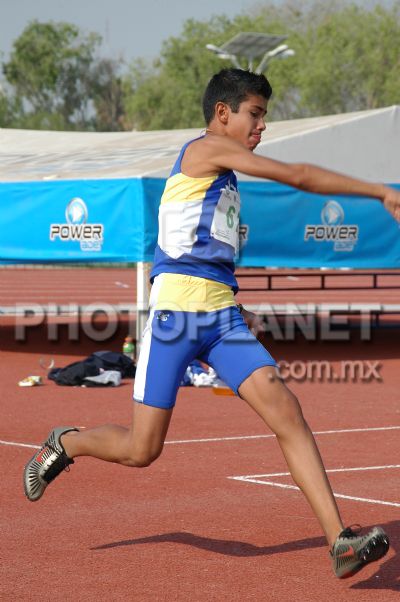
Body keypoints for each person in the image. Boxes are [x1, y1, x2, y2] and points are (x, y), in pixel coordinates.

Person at [24, 68, 399, 579]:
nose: (262, 125)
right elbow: (298, 176)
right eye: (255, 114)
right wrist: (379, 191)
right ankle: (65, 442)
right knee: (141, 450)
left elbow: (205, 251)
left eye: (264, 116)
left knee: (287, 411)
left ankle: (339, 542)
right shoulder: (206, 150)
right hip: (175, 319)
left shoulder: (224, 177)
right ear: (223, 113)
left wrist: (232, 305)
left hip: (221, 319)